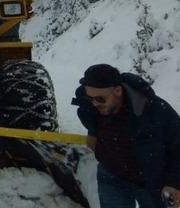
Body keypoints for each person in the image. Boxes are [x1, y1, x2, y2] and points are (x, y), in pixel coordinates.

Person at [72, 63, 180, 208]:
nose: (94, 104)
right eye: (90, 98)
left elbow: (177, 147)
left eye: (100, 99)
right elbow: (85, 111)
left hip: (150, 182)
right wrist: (92, 131)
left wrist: (174, 183)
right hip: (110, 175)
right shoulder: (91, 103)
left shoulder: (155, 111)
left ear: (118, 91)